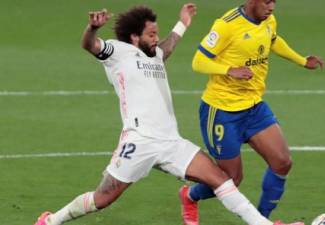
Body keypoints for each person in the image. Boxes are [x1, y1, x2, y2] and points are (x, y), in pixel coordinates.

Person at [33, 3, 304, 225]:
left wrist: (183, 22)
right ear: (134, 37)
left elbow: (170, 44)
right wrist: (92, 28)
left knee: (222, 179)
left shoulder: (155, 55)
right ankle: (50, 220)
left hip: (171, 142)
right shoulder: (119, 52)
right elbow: (89, 45)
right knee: (102, 199)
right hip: (138, 141)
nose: (156, 38)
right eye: (151, 34)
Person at [179, 0, 324, 224]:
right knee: (231, 179)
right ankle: (189, 196)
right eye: (267, 2)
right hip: (222, 111)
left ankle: (262, 220)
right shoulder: (227, 25)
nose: (272, 7)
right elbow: (198, 61)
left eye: (274, 2)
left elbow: (273, 40)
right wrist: (229, 70)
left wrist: (302, 60)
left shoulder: (268, 20)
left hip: (254, 107)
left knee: (282, 162)